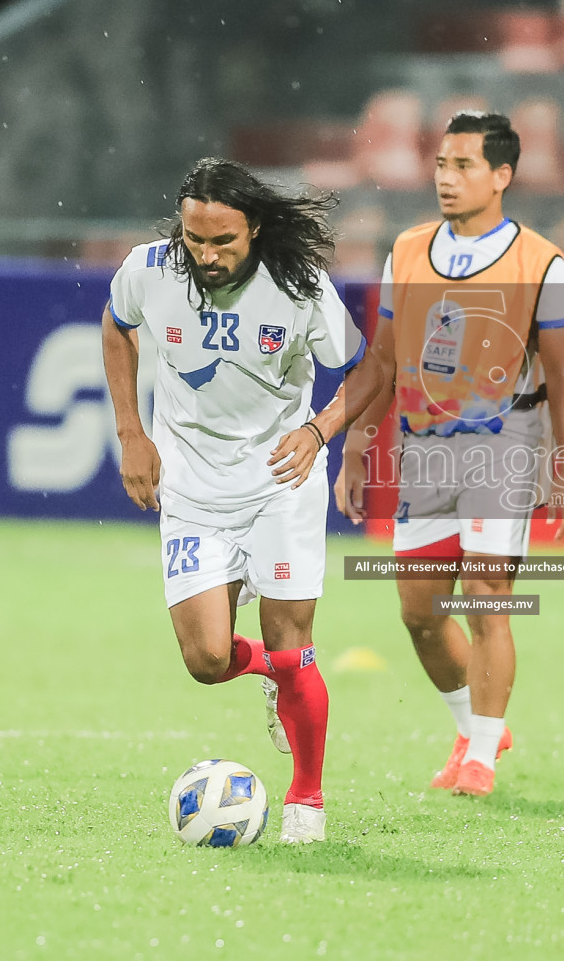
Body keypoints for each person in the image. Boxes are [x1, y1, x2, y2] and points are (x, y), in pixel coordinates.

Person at [102, 158, 383, 844]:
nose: (207, 254)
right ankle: (270, 673)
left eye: (223, 240)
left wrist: (319, 432)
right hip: (193, 489)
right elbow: (116, 328)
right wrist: (131, 433)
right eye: (196, 238)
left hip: (277, 483)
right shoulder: (149, 270)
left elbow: (373, 370)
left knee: (296, 647)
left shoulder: (298, 286)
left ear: (253, 229)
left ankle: (306, 803)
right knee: (204, 660)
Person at [333, 112, 564, 798]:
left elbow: (561, 376)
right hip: (425, 445)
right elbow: (382, 360)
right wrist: (358, 445)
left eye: (464, 165)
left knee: (486, 597)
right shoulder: (407, 250)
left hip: (506, 440)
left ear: (501, 176)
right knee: (418, 612)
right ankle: (475, 725)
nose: (447, 177)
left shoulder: (541, 262)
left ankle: (478, 759)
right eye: (441, 164)